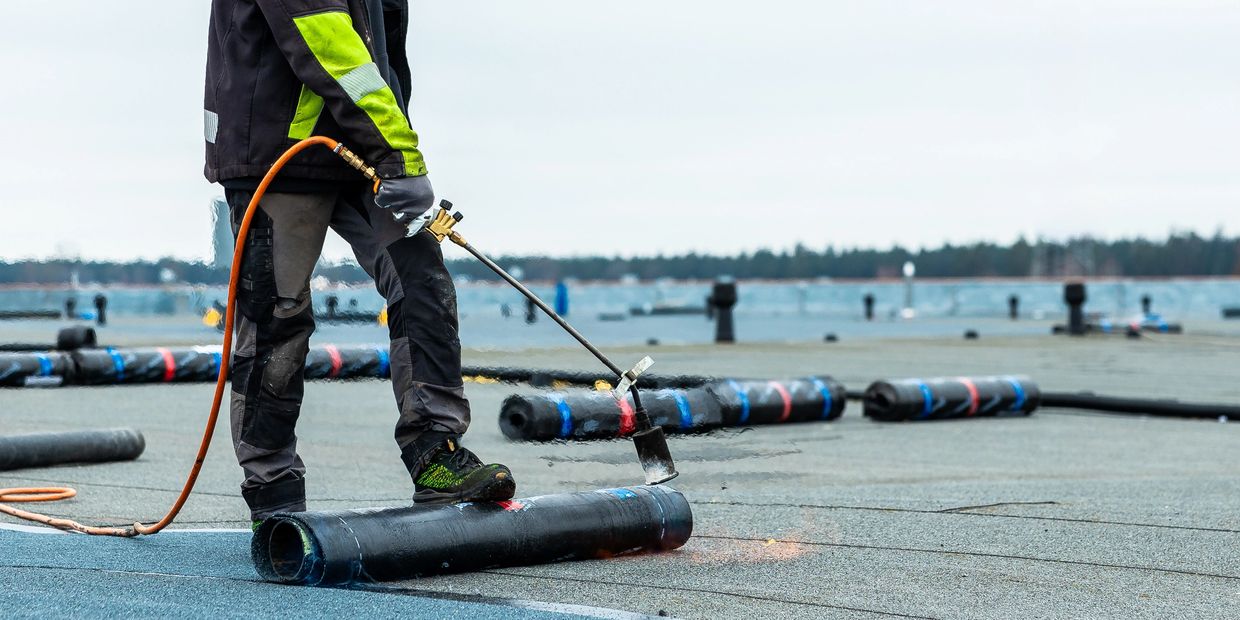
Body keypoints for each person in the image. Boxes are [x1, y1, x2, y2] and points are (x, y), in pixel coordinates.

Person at [203, 0, 514, 525]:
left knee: (423, 284)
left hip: (361, 152)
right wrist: (401, 155)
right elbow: (327, 42)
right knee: (276, 319)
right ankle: (273, 488)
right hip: (282, 152)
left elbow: (383, 52)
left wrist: (392, 152)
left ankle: (434, 454)